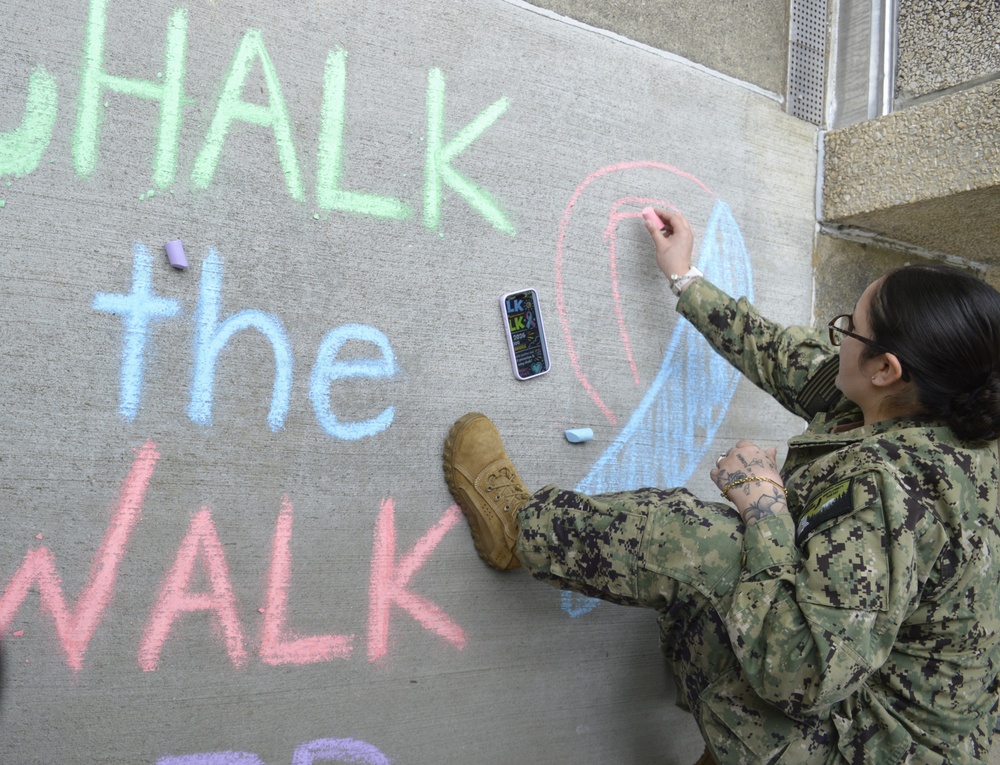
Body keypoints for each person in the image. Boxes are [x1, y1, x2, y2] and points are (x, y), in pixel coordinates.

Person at [442, 207, 1000, 764]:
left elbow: (800, 670)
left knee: (700, 541)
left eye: (848, 328)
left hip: (868, 740)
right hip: (888, 691)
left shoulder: (894, 492)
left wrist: (764, 509)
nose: (838, 339)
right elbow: (787, 357)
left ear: (886, 369)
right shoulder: (939, 399)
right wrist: (684, 276)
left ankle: (518, 531)